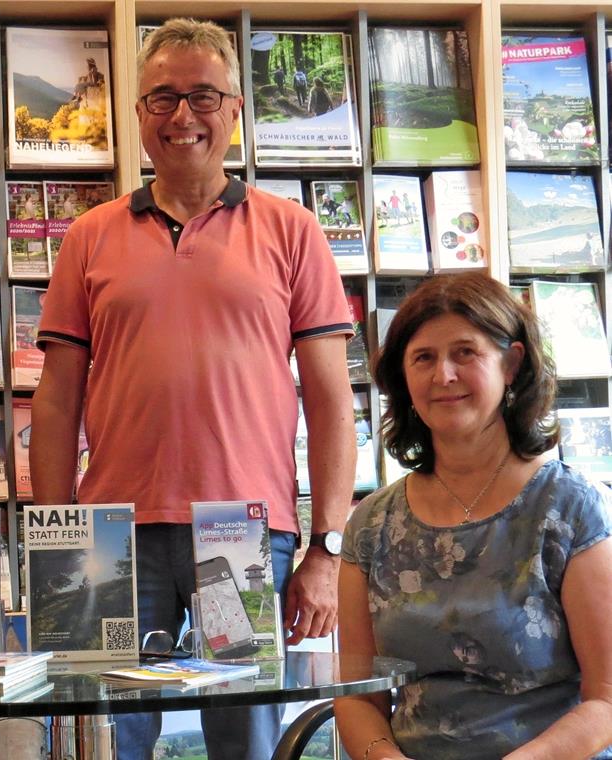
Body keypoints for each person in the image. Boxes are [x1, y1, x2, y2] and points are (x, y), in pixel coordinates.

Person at [31, 18, 356, 760]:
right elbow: (56, 400)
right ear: (140, 114)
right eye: (163, 98)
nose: (183, 116)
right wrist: (58, 539)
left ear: (236, 108)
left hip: (240, 530)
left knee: (243, 736)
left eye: (203, 96)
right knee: (107, 740)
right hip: (112, 540)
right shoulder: (89, 236)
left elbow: (332, 401)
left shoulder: (292, 231)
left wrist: (326, 549)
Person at [335, 272, 612, 760]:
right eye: (424, 357)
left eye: (465, 352)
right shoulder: (372, 524)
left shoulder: (569, 508)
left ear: (512, 364)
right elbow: (359, 697)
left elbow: (606, 699)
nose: (443, 375)